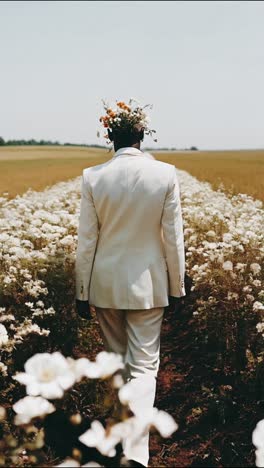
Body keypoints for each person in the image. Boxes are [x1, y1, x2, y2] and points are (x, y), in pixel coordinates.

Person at [75, 100, 185, 467]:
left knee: (121, 365)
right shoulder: (165, 174)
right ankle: (135, 455)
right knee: (144, 368)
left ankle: (123, 439)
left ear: (110, 136)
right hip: (149, 285)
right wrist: (177, 287)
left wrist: (81, 291)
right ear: (142, 134)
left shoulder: (93, 176)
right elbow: (174, 238)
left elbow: (87, 240)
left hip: (105, 284)